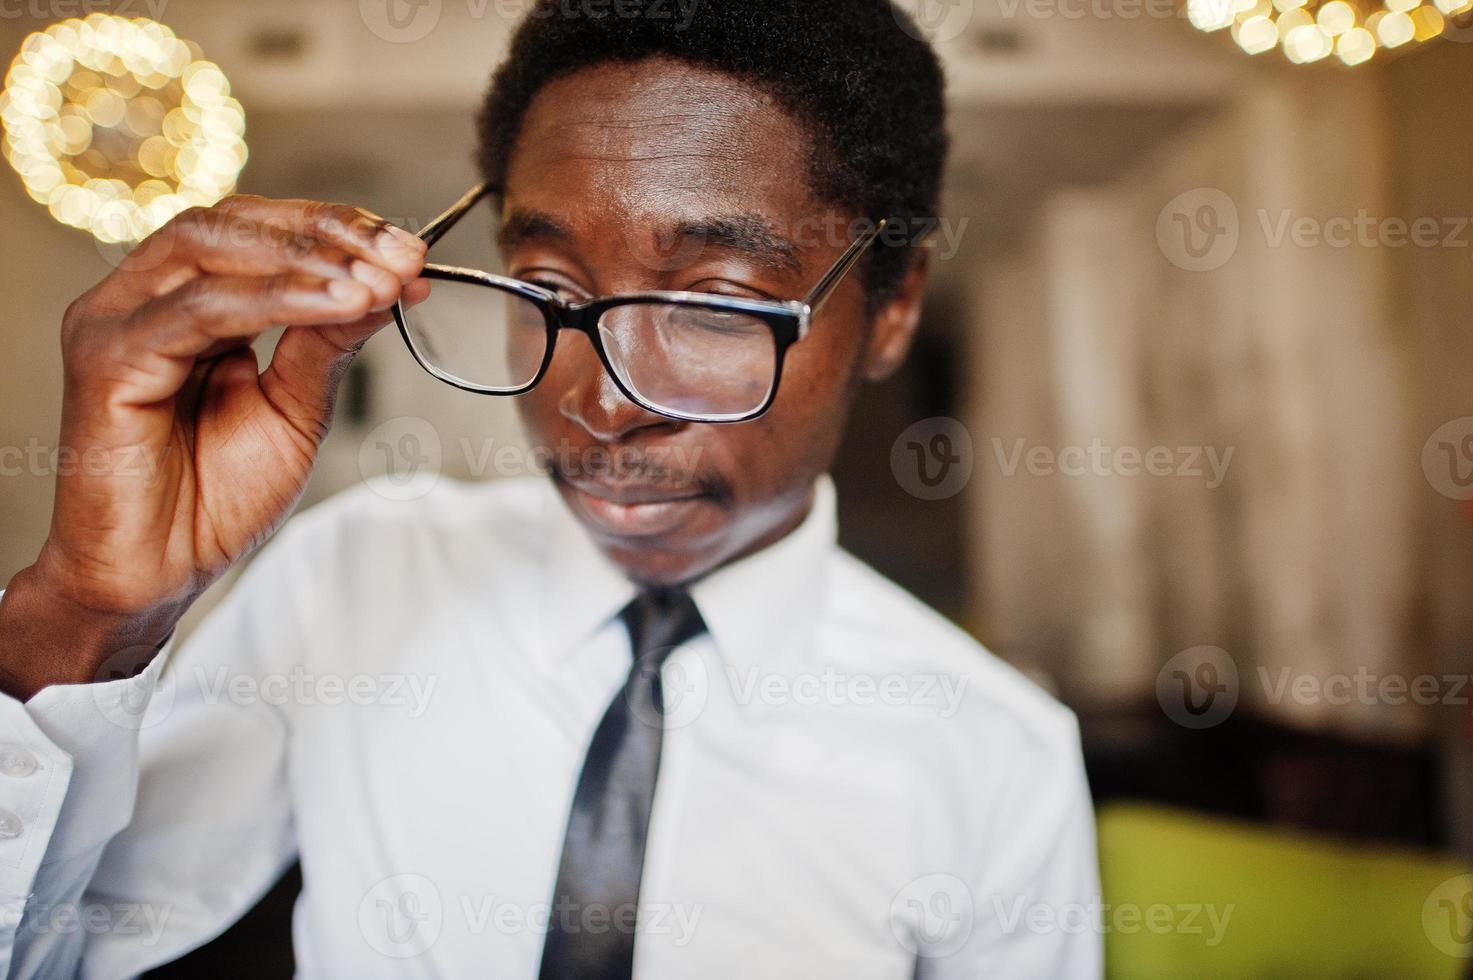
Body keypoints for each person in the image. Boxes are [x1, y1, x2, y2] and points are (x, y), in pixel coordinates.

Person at [0, 1, 1099, 976]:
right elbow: (62, 947)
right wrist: (85, 615)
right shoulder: (357, 574)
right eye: (548, 287)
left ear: (893, 309)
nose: (601, 404)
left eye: (716, 301)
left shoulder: (998, 753)